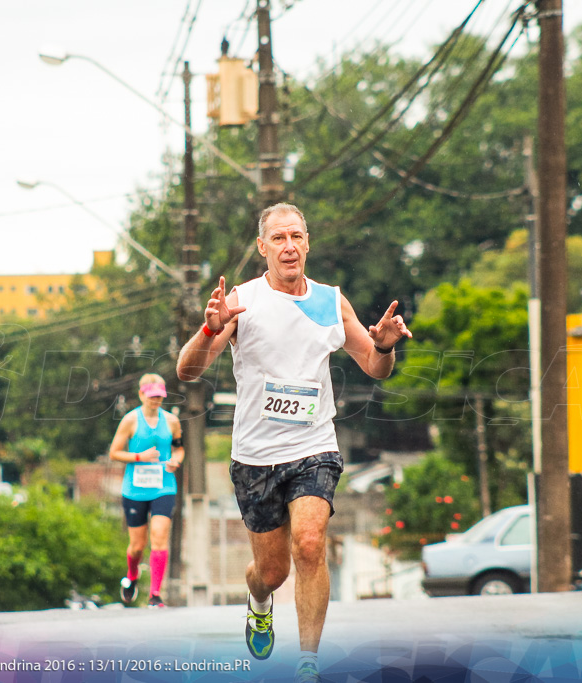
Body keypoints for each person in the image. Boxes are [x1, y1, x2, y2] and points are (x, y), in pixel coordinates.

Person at [176, 203, 411, 683]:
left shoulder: (330, 300)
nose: (289, 246)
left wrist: (384, 346)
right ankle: (259, 601)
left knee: (309, 545)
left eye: (297, 237)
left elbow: (374, 367)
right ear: (263, 248)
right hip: (256, 458)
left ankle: (307, 663)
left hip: (315, 447)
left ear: (308, 242)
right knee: (273, 572)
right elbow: (188, 370)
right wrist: (210, 329)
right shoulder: (242, 301)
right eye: (278, 238)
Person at [108, 373, 184, 609]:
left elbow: (179, 449)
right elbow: (114, 452)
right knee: (137, 546)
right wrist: (139, 457)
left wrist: (176, 462)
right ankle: (132, 576)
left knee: (159, 538)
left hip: (164, 486)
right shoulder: (130, 420)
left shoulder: (172, 421)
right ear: (141, 395)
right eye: (151, 397)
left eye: (160, 397)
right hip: (135, 490)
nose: (156, 401)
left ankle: (155, 595)